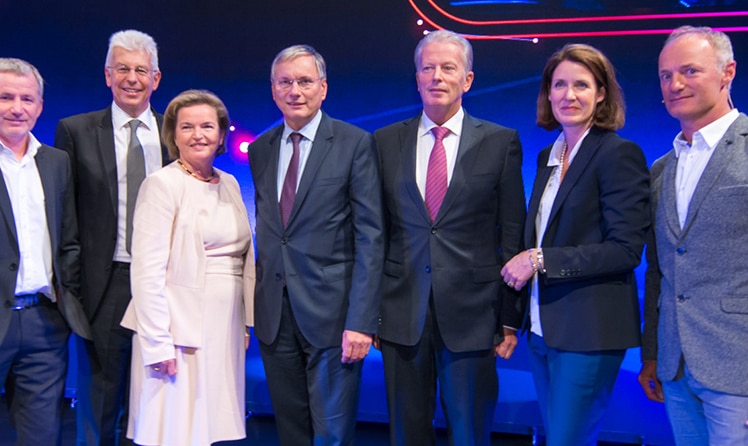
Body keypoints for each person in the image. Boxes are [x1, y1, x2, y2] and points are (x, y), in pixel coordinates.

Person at [373, 30, 526, 446]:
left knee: (470, 434)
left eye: (448, 68)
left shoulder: (500, 142)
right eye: (428, 68)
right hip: (402, 312)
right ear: (417, 77)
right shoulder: (385, 142)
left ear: (468, 79)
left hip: (474, 316)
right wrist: (370, 313)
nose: (437, 76)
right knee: (407, 434)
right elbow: (375, 232)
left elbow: (512, 231)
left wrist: (510, 319)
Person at [501, 43, 649, 446]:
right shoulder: (550, 154)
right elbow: (539, 233)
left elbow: (624, 249)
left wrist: (540, 259)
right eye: (560, 84)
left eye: (582, 85)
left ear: (601, 93)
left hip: (590, 333)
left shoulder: (619, 154)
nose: (569, 95)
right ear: (548, 92)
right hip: (543, 330)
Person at [248, 44, 383, 445]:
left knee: (331, 433)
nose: (295, 91)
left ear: (323, 88)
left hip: (333, 316)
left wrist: (361, 320)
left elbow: (371, 236)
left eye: (305, 81)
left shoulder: (354, 143)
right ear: (273, 90)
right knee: (290, 430)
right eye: (285, 82)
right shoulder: (260, 149)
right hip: (275, 315)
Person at [119, 89, 255, 446]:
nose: (199, 135)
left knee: (207, 428)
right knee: (173, 431)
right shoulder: (161, 185)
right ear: (173, 135)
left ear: (222, 134)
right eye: (187, 127)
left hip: (223, 328)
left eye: (208, 126)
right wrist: (158, 343)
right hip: (177, 333)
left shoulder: (230, 183)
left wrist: (243, 324)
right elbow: (146, 272)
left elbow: (242, 259)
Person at [53, 29, 168, 445]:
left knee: (159, 399)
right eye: (123, 68)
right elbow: (65, 217)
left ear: (156, 78)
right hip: (108, 284)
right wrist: (73, 289)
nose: (132, 78)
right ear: (107, 75)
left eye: (142, 69)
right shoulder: (76, 131)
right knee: (100, 400)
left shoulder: (176, 131)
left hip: (167, 284)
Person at [638, 26, 748, 445]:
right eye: (666, 75)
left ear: (727, 72)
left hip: (739, 369)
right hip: (676, 366)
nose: (675, 84)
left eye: (689, 71)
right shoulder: (661, 168)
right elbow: (659, 270)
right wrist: (652, 354)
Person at [0, 58, 91, 445]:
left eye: (26, 98)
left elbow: (68, 239)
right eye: (5, 97)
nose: (16, 107)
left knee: (40, 437)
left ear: (39, 106)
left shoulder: (56, 162)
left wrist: (64, 299)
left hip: (43, 323)